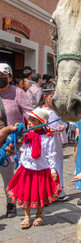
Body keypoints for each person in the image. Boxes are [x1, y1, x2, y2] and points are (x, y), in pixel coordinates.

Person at [6, 108, 62, 228]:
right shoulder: (26, 137)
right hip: (27, 169)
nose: (30, 122)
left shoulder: (47, 138)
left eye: (33, 120)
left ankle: (39, 215)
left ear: (42, 123)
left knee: (40, 192)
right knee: (26, 192)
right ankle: (27, 216)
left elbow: (51, 154)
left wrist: (53, 169)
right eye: (29, 120)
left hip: (41, 170)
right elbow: (23, 151)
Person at [0, 63, 33, 218]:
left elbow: (29, 113)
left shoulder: (18, 93)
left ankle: (11, 203)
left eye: (3, 77)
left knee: (9, 175)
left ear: (10, 77)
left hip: (10, 142)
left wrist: (28, 129)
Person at [40, 83, 69, 202]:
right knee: (45, 166)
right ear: (45, 97)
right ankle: (46, 192)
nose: (54, 99)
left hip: (56, 141)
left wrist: (63, 126)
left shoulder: (57, 111)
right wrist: (47, 130)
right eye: (52, 96)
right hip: (44, 142)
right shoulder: (40, 111)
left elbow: (64, 122)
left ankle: (59, 190)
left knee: (58, 164)